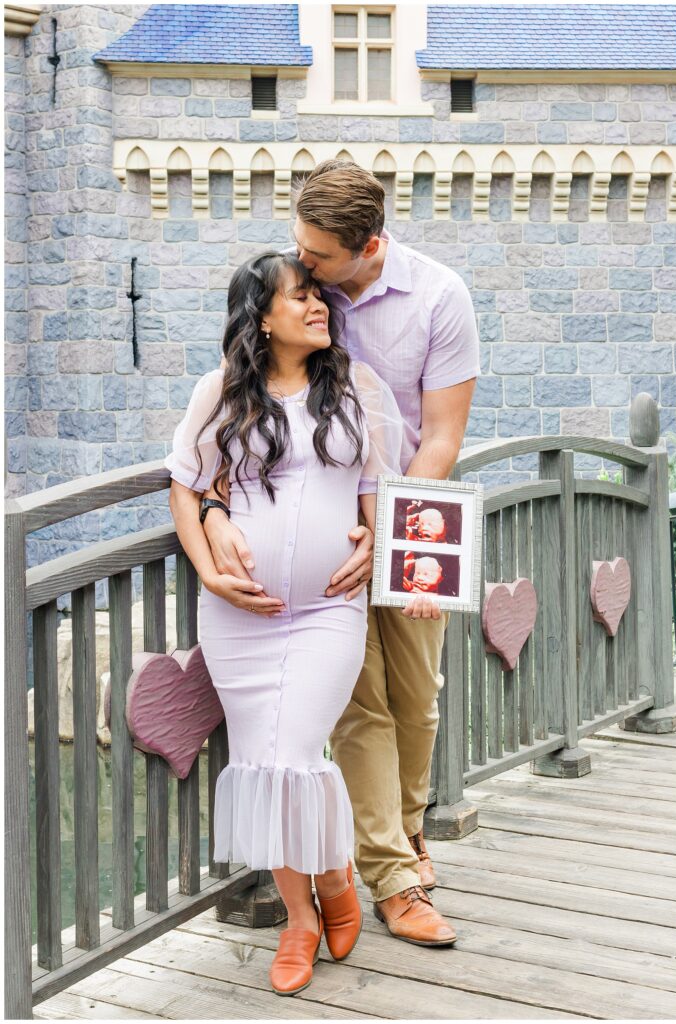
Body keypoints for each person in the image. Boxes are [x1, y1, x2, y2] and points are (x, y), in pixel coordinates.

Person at [202, 160, 479, 946]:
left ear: (369, 245)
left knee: (418, 697)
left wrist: (383, 528)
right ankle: (390, 877)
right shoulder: (301, 297)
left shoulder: (439, 298)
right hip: (324, 560)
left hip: (416, 523)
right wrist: (218, 508)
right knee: (361, 710)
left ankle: (408, 827)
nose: (306, 268)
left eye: (319, 258)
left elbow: (445, 437)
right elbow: (238, 407)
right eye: (301, 254)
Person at [165, 252, 438, 995]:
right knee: (260, 763)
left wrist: (384, 544)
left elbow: (381, 485)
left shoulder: (358, 388)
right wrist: (207, 566)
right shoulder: (220, 392)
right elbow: (185, 488)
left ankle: (335, 886)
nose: (319, 305)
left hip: (327, 611)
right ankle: (304, 913)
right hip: (239, 617)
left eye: (319, 294)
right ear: (261, 316)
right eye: (301, 296)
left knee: (291, 755)